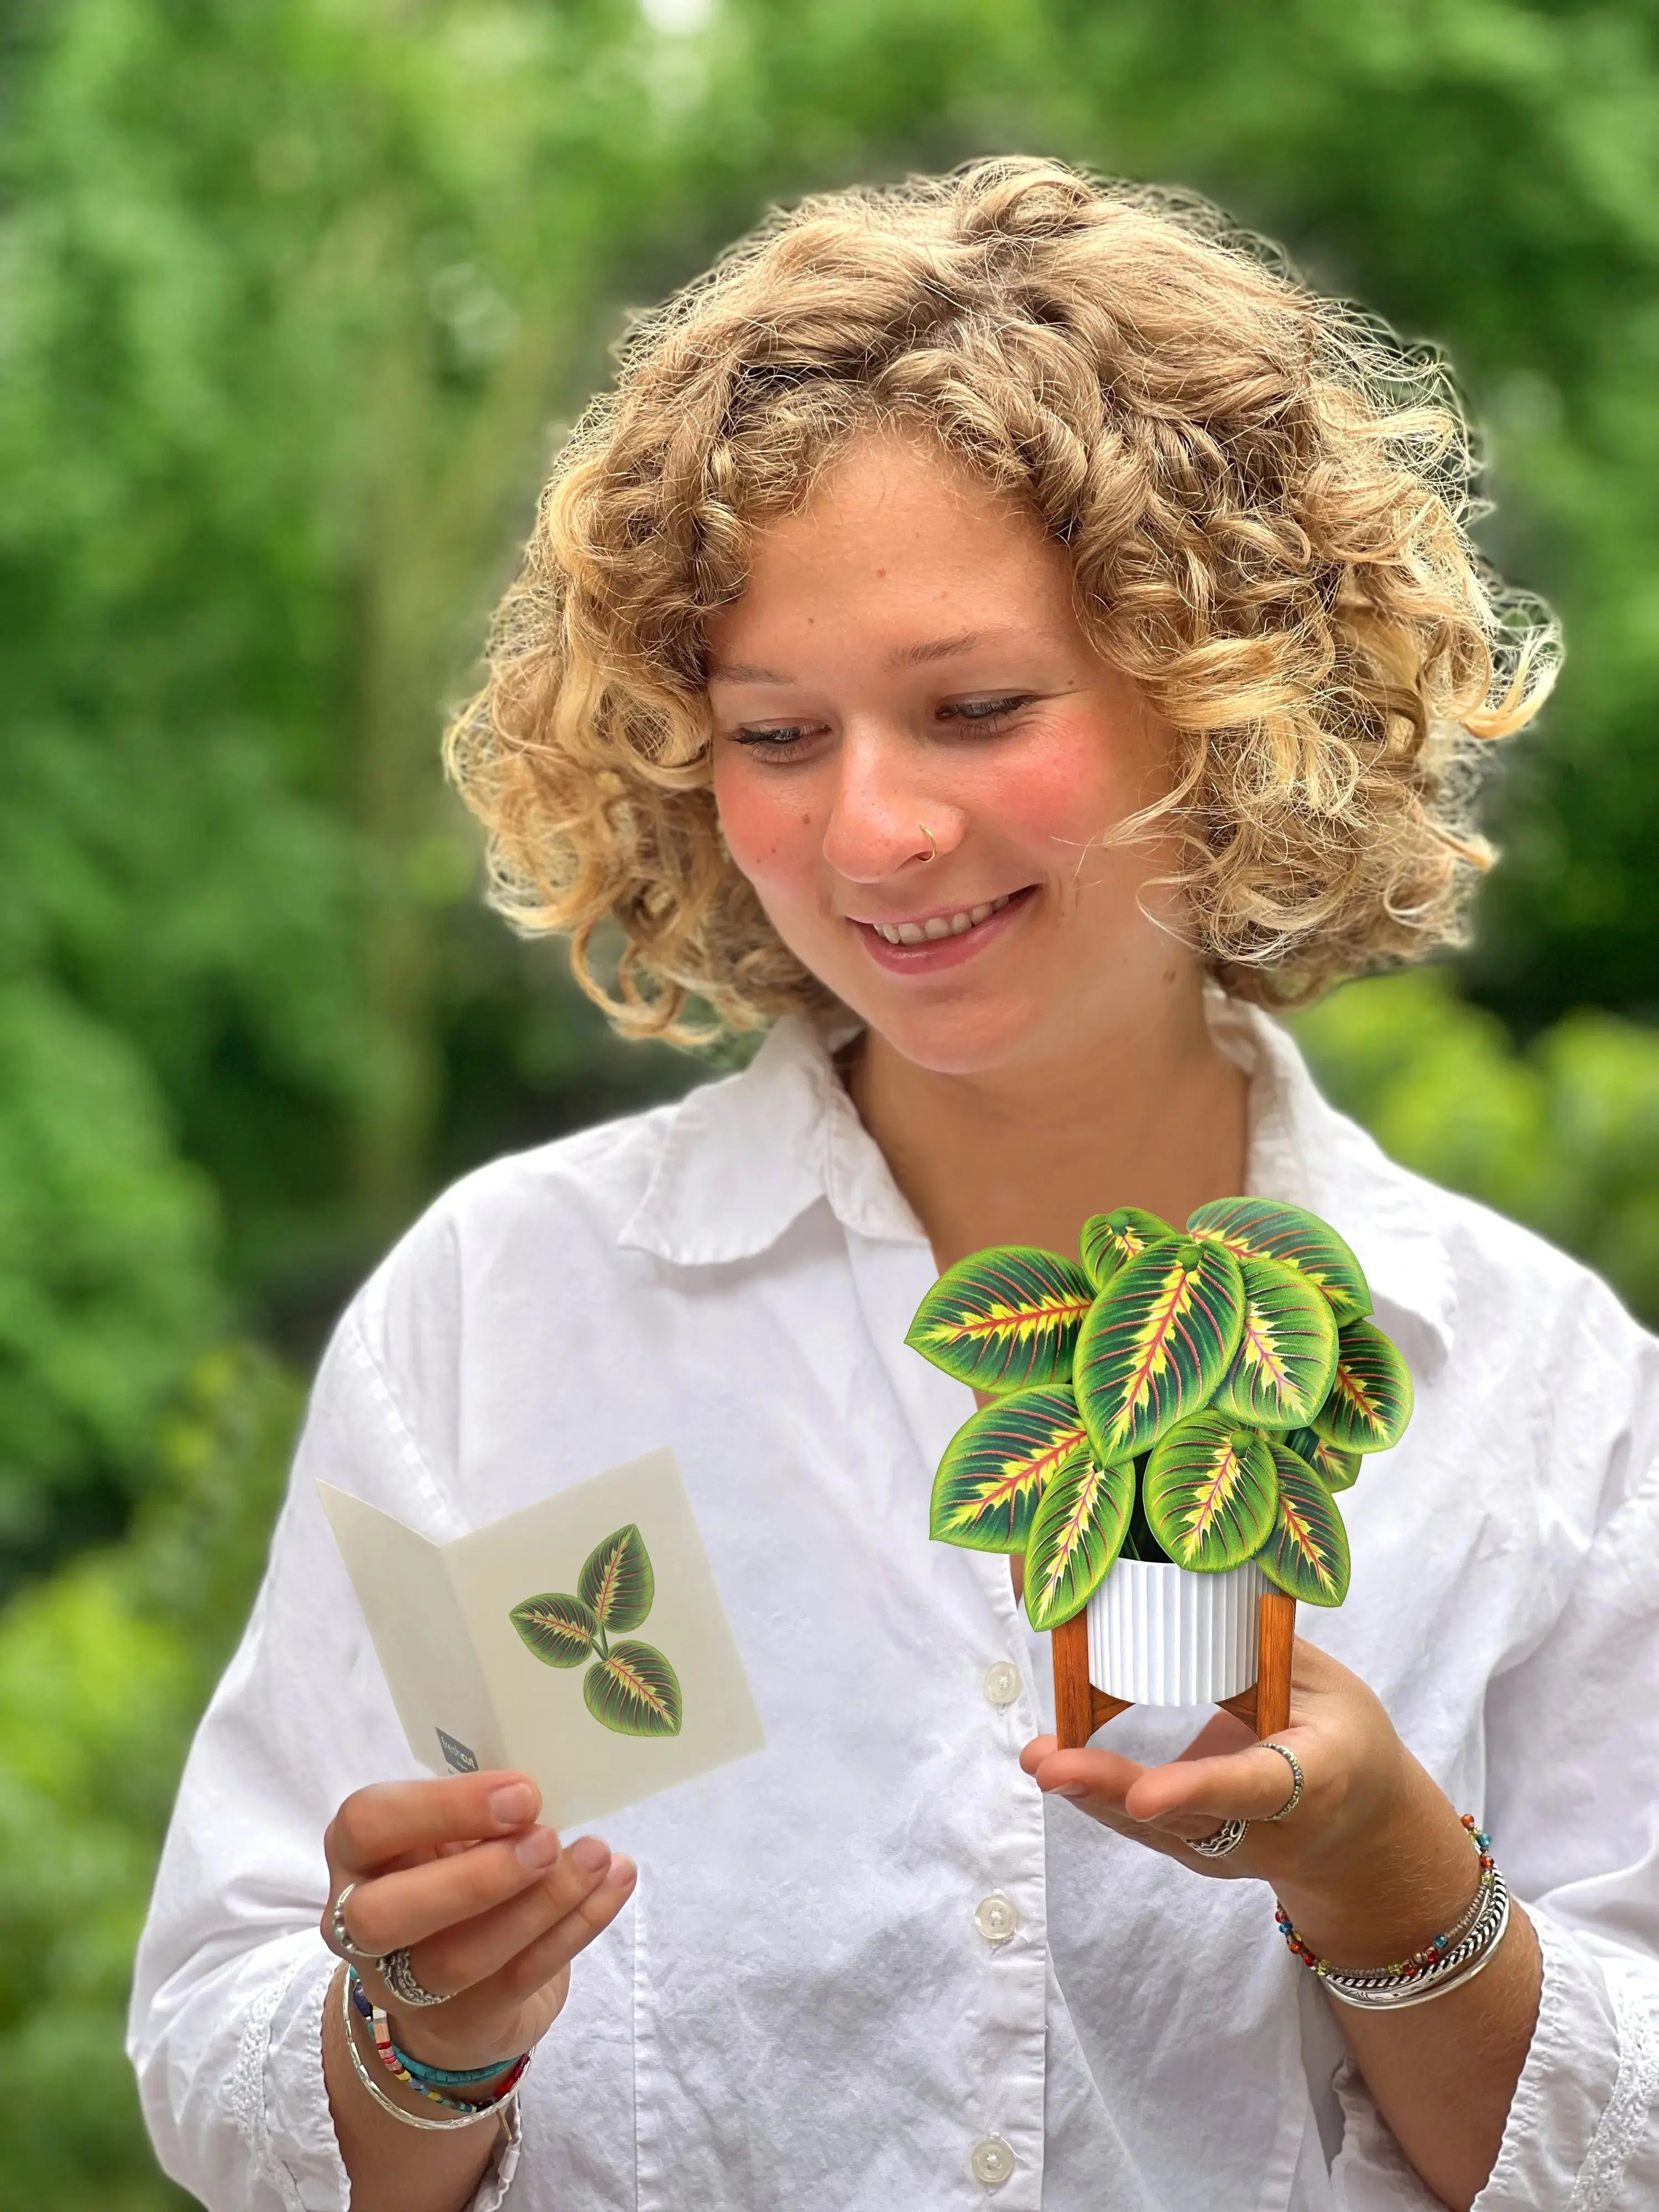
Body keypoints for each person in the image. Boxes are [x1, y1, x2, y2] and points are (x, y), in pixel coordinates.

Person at [130, 158, 1659, 2212]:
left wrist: (1394, 1885)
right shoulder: (510, 1315)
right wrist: (416, 2031)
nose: (873, 831)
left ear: (1224, 692)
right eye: (775, 732)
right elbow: (224, 2058)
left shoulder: (1535, 1390)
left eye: (977, 709)